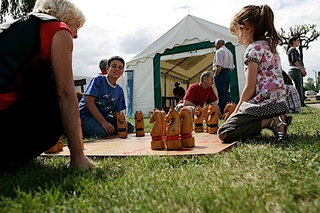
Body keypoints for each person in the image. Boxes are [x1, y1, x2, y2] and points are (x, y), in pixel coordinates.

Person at [0, 0, 93, 170]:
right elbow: (64, 93)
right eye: (77, 25)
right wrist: (78, 157)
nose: (76, 35)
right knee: (64, 99)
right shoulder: (58, 28)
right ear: (65, 17)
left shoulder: (14, 27)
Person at [217, 4, 291, 143]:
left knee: (225, 131)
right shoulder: (270, 47)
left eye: (238, 33)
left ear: (247, 27)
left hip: (263, 105)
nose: (238, 39)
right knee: (239, 125)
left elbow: (250, 88)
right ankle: (279, 120)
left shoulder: (253, 49)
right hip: (280, 103)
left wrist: (237, 110)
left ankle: (271, 121)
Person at [79, 56, 134, 138]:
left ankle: (102, 127)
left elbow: (116, 112)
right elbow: (89, 102)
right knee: (101, 133)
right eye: (114, 66)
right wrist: (104, 123)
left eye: (120, 67)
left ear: (122, 71)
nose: (117, 69)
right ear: (108, 68)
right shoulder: (98, 80)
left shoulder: (119, 90)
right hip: (86, 115)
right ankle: (80, 128)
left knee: (129, 127)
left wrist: (122, 123)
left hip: (104, 116)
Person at [213, 38, 236, 113]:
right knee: (224, 92)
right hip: (228, 72)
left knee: (222, 93)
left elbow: (219, 65)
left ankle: (234, 104)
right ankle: (222, 109)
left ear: (218, 44)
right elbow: (231, 66)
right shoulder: (229, 52)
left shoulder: (219, 52)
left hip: (221, 72)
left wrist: (215, 75)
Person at [286, 36, 307, 107]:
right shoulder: (293, 50)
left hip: (291, 70)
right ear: (293, 41)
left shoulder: (290, 50)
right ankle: (301, 104)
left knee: (293, 87)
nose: (299, 42)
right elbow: (295, 60)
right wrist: (302, 69)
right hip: (295, 70)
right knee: (299, 88)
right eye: (297, 40)